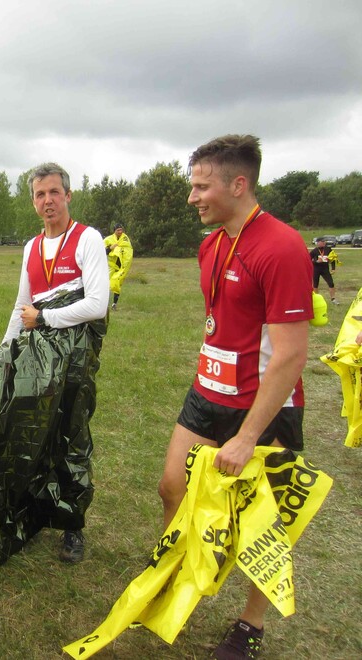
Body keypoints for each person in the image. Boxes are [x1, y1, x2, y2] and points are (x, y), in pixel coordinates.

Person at [157, 135, 312, 659]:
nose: (191, 196)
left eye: (201, 186)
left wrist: (248, 437)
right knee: (171, 486)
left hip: (265, 408)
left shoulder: (283, 246)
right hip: (208, 391)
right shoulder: (212, 242)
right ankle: (184, 570)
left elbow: (290, 355)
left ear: (237, 184)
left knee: (263, 526)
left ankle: (251, 625)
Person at [0, 162, 109, 566]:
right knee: (32, 430)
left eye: (54, 193)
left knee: (71, 433)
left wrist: (44, 318)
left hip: (75, 357)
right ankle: (37, 509)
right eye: (40, 194)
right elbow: (21, 305)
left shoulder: (87, 239)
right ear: (33, 201)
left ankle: (73, 526)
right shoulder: (31, 247)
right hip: (36, 355)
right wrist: (4, 350)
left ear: (68, 196)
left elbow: (97, 304)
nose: (48, 201)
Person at [103, 223, 132, 310]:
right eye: (118, 230)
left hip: (121, 266)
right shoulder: (108, 239)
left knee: (117, 284)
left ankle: (114, 304)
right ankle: (105, 303)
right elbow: (102, 252)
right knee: (106, 284)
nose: (120, 231)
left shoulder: (125, 239)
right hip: (111, 265)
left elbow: (129, 250)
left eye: (121, 230)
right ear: (114, 231)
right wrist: (110, 248)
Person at [310, 237, 338, 304]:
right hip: (316, 269)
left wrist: (333, 268)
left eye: (324, 242)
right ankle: (316, 300)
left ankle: (333, 299)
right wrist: (316, 261)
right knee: (315, 285)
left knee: (331, 283)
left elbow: (333, 258)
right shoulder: (314, 251)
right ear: (318, 243)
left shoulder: (328, 249)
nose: (324, 243)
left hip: (325, 269)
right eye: (322, 242)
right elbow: (308, 260)